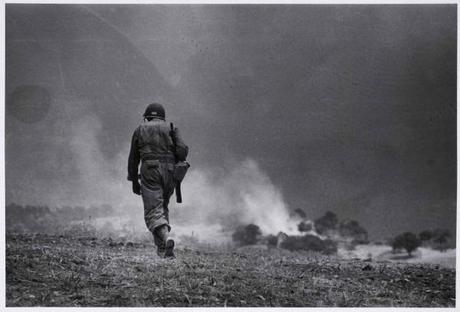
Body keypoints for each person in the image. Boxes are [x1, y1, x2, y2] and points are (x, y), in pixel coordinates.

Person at [127, 103, 188, 258]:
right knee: (162, 207)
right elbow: (182, 151)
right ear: (163, 116)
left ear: (147, 116)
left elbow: (133, 159)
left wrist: (134, 180)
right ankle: (163, 251)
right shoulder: (172, 127)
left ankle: (167, 238)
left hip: (150, 170)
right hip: (170, 172)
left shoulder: (140, 129)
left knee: (153, 211)